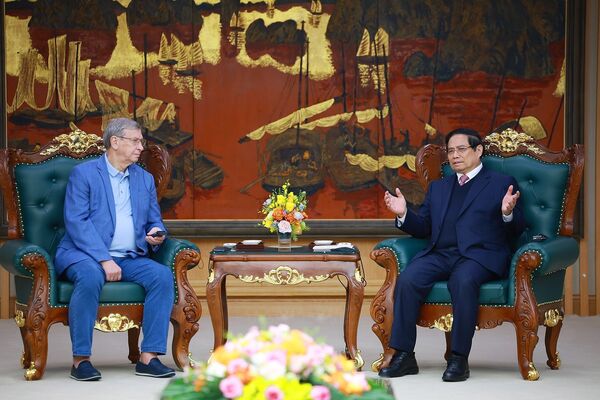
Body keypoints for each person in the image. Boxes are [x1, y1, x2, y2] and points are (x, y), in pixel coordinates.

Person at [378, 128, 525, 382]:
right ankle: (404, 355)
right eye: (451, 151)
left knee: (462, 280)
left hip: (479, 256)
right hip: (441, 254)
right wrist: (404, 214)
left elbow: (517, 229)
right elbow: (424, 227)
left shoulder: (500, 183)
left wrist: (507, 213)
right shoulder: (439, 187)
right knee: (409, 279)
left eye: (461, 149)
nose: (455, 155)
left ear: (478, 151)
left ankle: (458, 358)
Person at [54, 118, 175, 381]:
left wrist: (156, 233)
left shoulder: (144, 179)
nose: (141, 147)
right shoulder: (84, 174)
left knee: (162, 276)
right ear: (115, 142)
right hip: (84, 255)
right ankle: (81, 360)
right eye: (135, 141)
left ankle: (149, 357)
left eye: (141, 141)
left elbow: (154, 219)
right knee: (90, 276)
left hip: (130, 256)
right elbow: (77, 221)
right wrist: (104, 259)